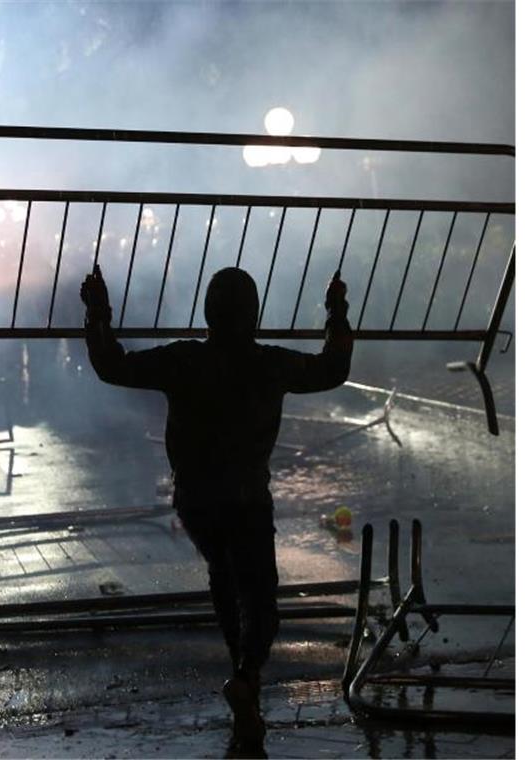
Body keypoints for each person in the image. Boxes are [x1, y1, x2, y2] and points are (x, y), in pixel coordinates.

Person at [80, 264, 352, 756]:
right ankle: (247, 678)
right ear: (254, 314)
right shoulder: (271, 364)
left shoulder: (184, 362)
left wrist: (97, 309)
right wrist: (336, 310)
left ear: (208, 312)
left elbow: (110, 365)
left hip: (197, 500)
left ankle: (240, 679)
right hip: (247, 497)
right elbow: (333, 367)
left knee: (223, 575)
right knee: (260, 597)